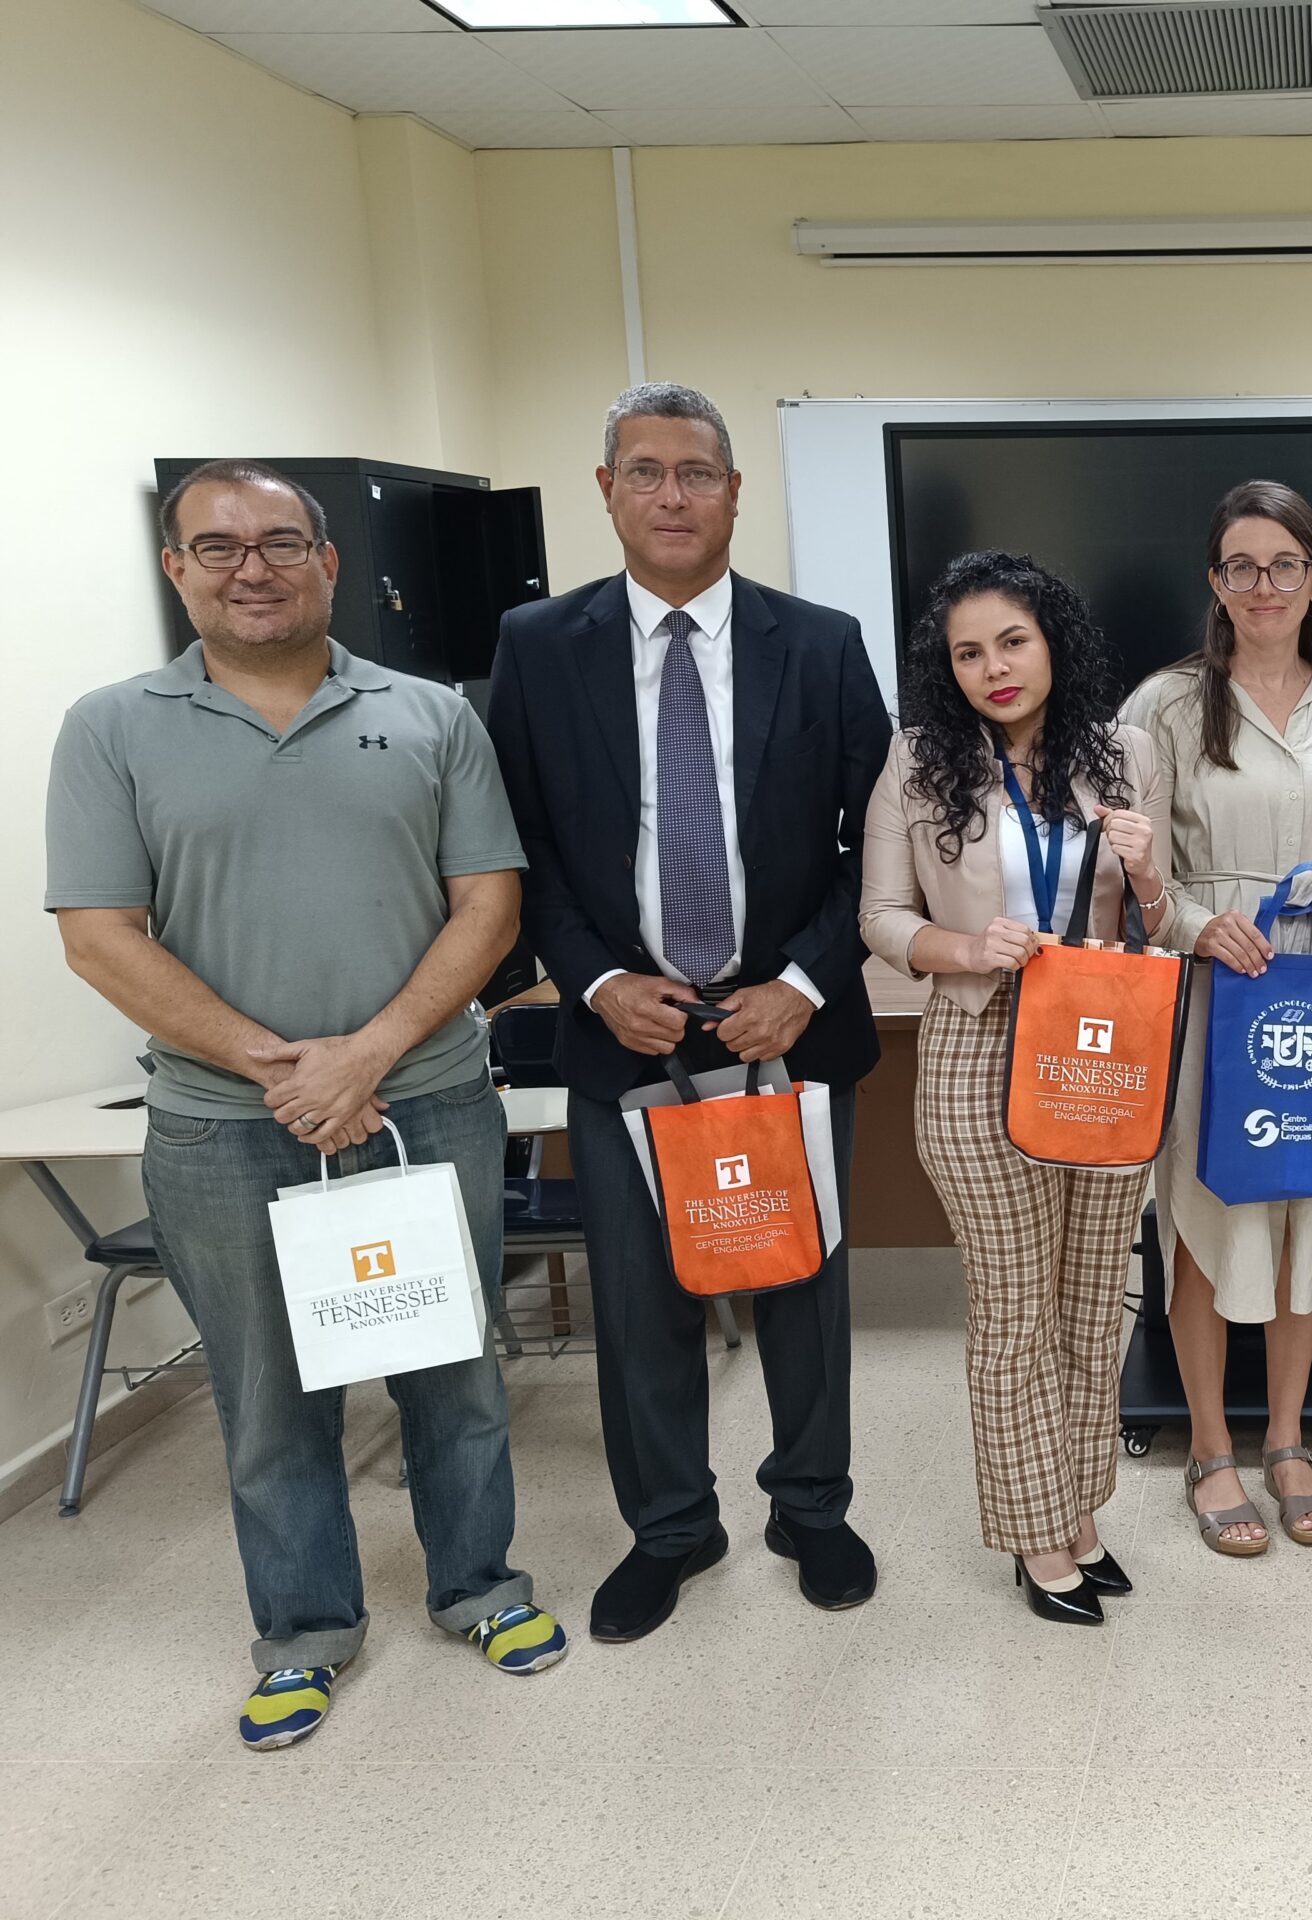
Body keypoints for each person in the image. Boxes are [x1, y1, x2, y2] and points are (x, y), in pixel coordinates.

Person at [46, 460, 564, 1750]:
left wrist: (367, 1056)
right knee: (268, 1393)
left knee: (453, 1368)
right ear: (177, 569)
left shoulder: (430, 715)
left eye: (280, 542)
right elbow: (99, 935)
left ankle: (480, 1587)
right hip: (223, 1130)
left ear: (329, 562)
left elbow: (488, 907)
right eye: (218, 547)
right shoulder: (111, 728)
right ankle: (304, 1632)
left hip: (423, 1107)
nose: (252, 568)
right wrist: (282, 1067)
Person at [488, 383, 890, 1642]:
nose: (672, 495)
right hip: (626, 1030)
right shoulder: (536, 645)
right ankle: (671, 1529)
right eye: (646, 471)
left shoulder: (819, 643)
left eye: (697, 472)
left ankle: (810, 1508)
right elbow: (518, 847)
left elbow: (877, 843)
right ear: (606, 490)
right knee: (640, 1297)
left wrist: (804, 984)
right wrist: (597, 983)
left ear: (733, 492)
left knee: (801, 1283)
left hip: (788, 1027)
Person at [860, 551, 1173, 1624]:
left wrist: (1145, 870)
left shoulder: (1127, 752)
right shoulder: (917, 760)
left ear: (1053, 645)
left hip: (1100, 1048)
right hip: (977, 1046)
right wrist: (965, 946)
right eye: (967, 653)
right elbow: (880, 918)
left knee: (1092, 1305)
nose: (993, 668)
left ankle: (1079, 1511)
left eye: (1012, 642)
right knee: (1014, 1309)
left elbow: (1163, 922)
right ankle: (1037, 1536)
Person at [1120, 481, 1312, 1556]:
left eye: (1285, 564)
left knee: (1307, 1209)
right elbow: (1130, 869)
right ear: (1215, 581)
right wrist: (1194, 925)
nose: (1263, 585)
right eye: (1242, 565)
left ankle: (1285, 1440)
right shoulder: (1163, 706)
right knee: (1207, 1211)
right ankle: (1209, 1447)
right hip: (1214, 992)